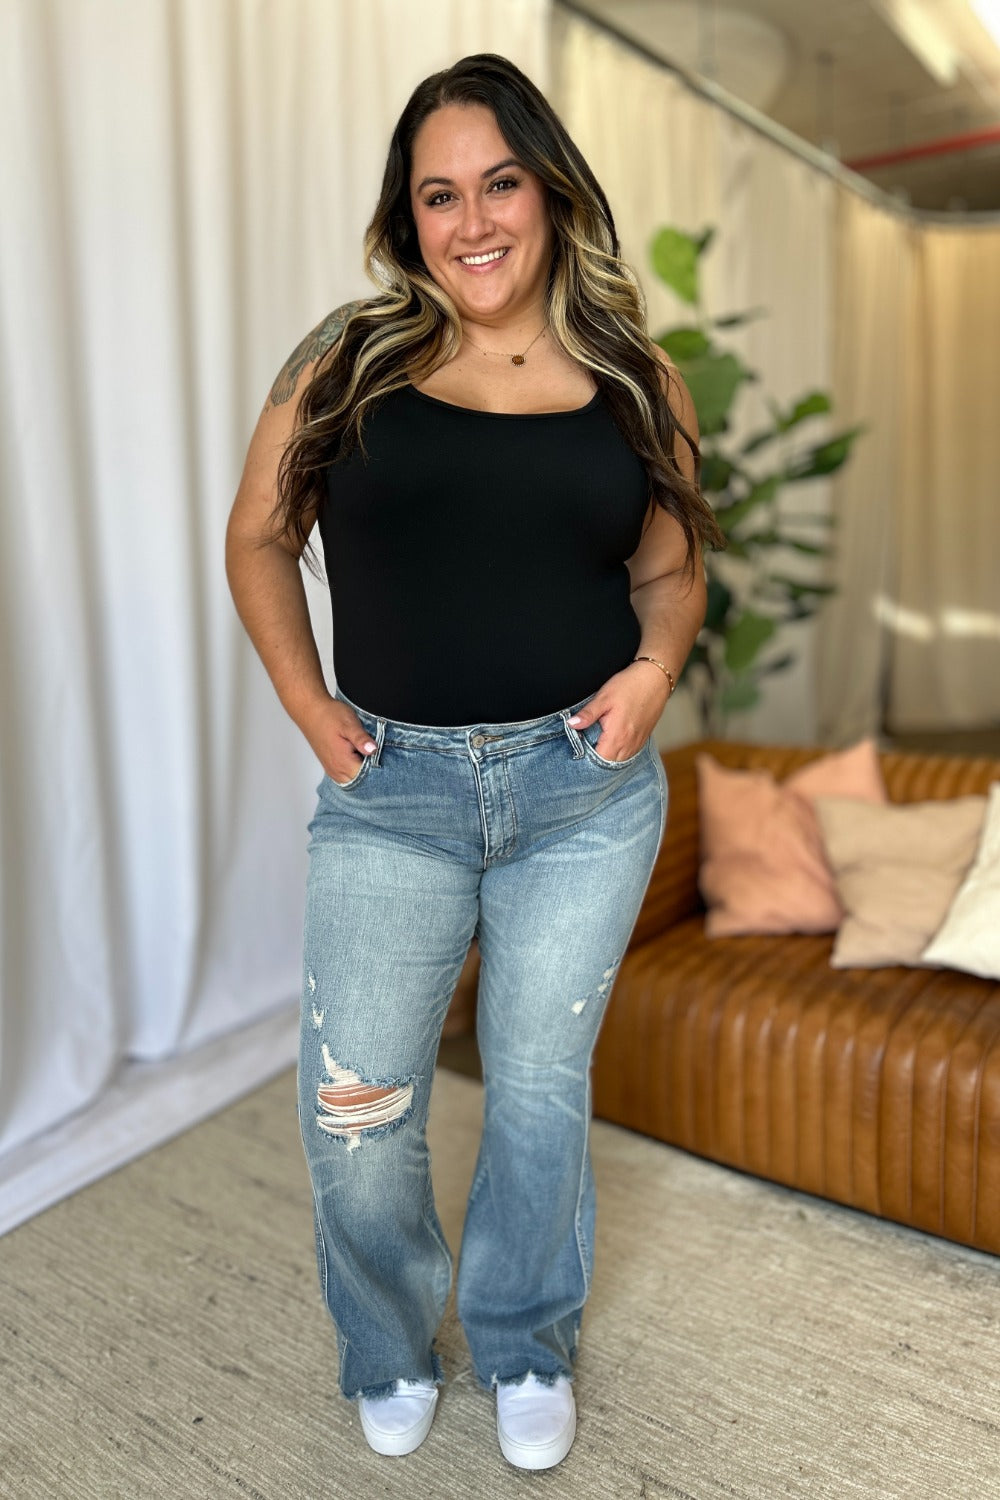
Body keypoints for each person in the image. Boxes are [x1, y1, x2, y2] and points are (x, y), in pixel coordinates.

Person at [225, 52, 722, 1471]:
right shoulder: (347, 355)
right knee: (361, 1104)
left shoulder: (638, 372)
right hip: (396, 796)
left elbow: (674, 570)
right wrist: (308, 701)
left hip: (584, 793)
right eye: (439, 193)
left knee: (538, 1087)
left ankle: (521, 1340)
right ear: (408, 216)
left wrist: (652, 671)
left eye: (500, 181)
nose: (473, 219)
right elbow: (257, 536)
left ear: (552, 191)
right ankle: (389, 1345)